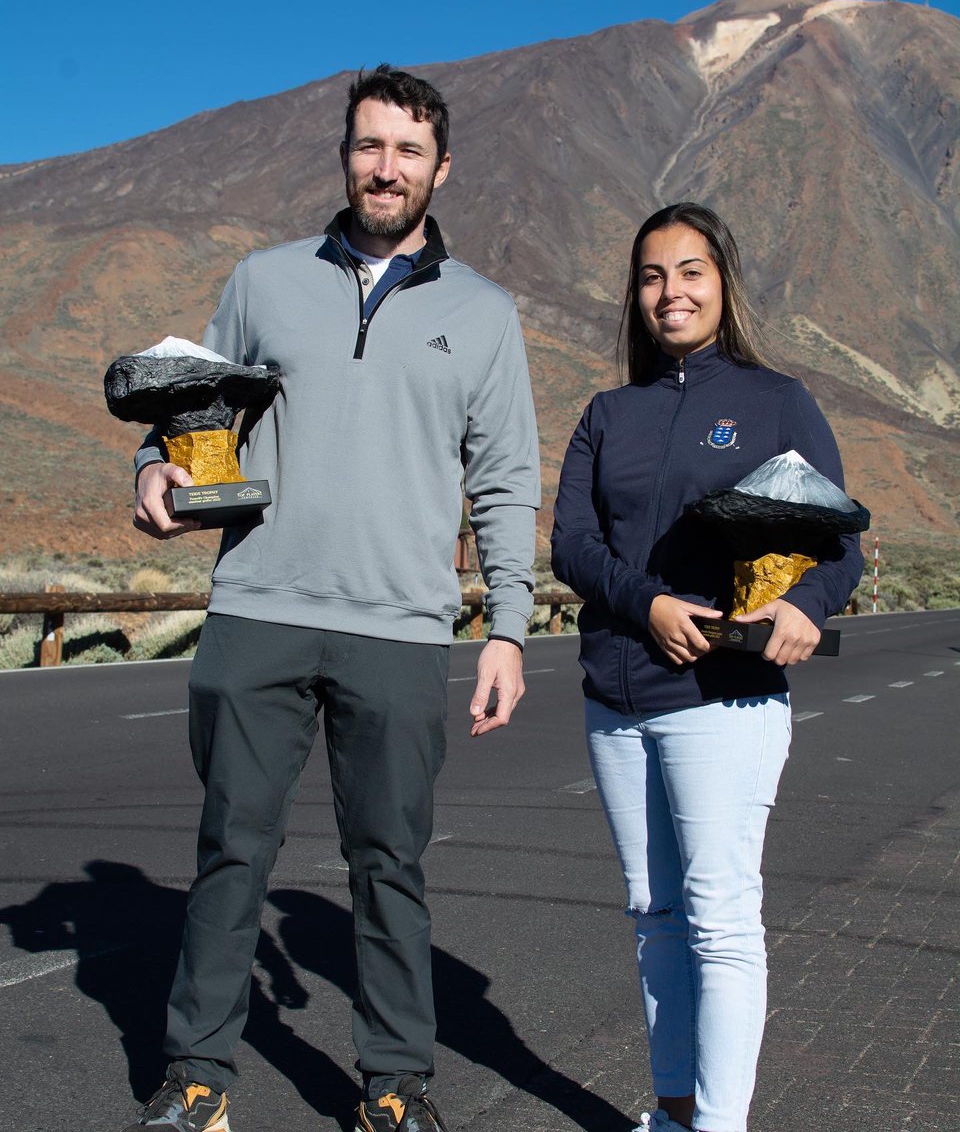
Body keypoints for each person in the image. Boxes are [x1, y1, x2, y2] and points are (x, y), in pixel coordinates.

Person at [123, 65, 540, 1132]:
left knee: (388, 865)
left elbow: (503, 481)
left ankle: (396, 1085)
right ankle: (199, 1077)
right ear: (343, 155)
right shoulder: (263, 284)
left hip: (398, 628)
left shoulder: (486, 315)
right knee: (230, 850)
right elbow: (185, 408)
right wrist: (154, 473)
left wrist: (506, 628)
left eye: (407, 150)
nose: (385, 167)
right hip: (259, 608)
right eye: (368, 145)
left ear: (440, 168)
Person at [550, 203, 863, 1132]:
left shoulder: (776, 402)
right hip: (617, 696)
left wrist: (804, 607)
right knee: (654, 916)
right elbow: (571, 543)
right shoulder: (608, 413)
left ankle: (720, 1126)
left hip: (722, 701)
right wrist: (643, 602)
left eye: (689, 272)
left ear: (723, 283)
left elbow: (837, 542)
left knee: (720, 920)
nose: (669, 292)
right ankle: (674, 1109)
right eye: (651, 276)